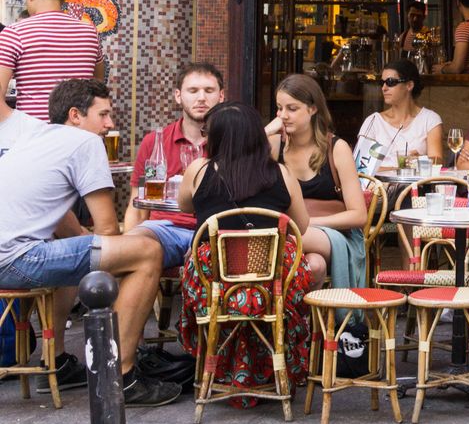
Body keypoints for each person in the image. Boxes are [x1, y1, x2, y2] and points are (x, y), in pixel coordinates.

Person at [0, 79, 179, 406]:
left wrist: (96, 249)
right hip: (19, 261)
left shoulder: (35, 136)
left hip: (10, 257)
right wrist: (118, 258)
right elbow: (108, 228)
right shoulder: (86, 143)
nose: (110, 125)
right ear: (75, 115)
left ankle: (55, 362)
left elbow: (63, 221)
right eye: (104, 114)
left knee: (85, 251)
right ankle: (120, 376)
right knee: (146, 251)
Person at [176, 101, 318, 398]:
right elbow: (301, 227)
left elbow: (184, 206)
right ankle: (285, 359)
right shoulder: (282, 173)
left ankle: (215, 363)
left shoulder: (198, 170)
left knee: (192, 260)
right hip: (271, 288)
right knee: (309, 263)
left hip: (215, 288)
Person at [123, 62, 224, 270]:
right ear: (178, 96)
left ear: (221, 96)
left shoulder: (232, 142)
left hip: (217, 232)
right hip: (165, 230)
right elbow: (137, 204)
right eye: (193, 90)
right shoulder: (154, 142)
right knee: (129, 250)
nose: (201, 98)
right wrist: (127, 243)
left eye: (209, 90)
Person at [270, 74, 368, 289]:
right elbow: (233, 161)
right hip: (292, 233)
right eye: (279, 108)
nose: (283, 116)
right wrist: (266, 132)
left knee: (271, 239)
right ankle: (304, 321)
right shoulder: (273, 145)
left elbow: (359, 215)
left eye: (292, 109)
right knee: (314, 265)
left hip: (333, 235)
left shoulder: (336, 148)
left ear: (313, 109)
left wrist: (308, 223)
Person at [0, 0, 103, 120]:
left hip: (34, 138)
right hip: (79, 135)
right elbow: (98, 85)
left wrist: (18, 125)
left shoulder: (15, 33)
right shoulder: (90, 33)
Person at [353, 59, 443, 170]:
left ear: (409, 85)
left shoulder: (430, 119)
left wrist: (421, 160)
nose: (384, 88)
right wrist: (400, 169)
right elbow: (361, 168)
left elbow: (437, 161)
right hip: (378, 186)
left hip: (416, 186)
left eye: (390, 82)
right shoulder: (374, 121)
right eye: (382, 83)